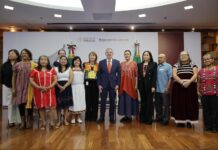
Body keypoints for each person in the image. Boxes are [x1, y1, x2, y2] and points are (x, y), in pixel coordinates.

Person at [171, 51, 198, 128]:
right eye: (181, 55)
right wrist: (182, 83)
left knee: (190, 104)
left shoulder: (193, 65)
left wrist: (189, 82)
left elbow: (195, 74)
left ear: (188, 56)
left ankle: (189, 121)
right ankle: (180, 122)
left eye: (184, 55)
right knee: (180, 104)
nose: (183, 56)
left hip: (191, 87)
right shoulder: (176, 65)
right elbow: (174, 75)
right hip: (178, 87)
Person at [30, 55, 57, 130]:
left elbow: (55, 80)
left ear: (48, 61)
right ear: (39, 61)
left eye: (45, 59)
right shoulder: (35, 70)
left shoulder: (52, 70)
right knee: (41, 107)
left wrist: (49, 87)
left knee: (52, 107)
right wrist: (38, 87)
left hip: (50, 90)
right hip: (39, 91)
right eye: (41, 59)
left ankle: (51, 122)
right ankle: (43, 123)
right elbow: (31, 80)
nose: (43, 61)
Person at [12, 49, 37, 129]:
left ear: (29, 55)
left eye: (26, 53)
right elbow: (14, 77)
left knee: (30, 103)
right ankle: (23, 122)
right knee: (21, 104)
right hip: (20, 87)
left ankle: (29, 121)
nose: (24, 54)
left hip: (30, 87)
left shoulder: (34, 65)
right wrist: (13, 88)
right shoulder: (17, 65)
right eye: (22, 53)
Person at [97, 48, 121, 123]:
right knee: (103, 102)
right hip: (103, 85)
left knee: (112, 102)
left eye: (110, 52)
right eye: (107, 52)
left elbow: (119, 75)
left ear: (112, 53)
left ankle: (111, 117)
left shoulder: (117, 62)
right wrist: (99, 84)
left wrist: (117, 84)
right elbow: (98, 75)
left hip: (113, 85)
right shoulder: (101, 62)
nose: (109, 53)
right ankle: (102, 117)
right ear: (105, 53)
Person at [197, 53, 218, 132]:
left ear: (212, 60)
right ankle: (208, 126)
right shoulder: (201, 71)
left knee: (215, 111)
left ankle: (215, 127)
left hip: (215, 94)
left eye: (208, 59)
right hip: (204, 94)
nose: (206, 60)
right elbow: (198, 82)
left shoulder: (217, 69)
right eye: (204, 59)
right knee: (206, 110)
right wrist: (197, 90)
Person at [1, 49, 21, 127]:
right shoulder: (4, 65)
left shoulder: (20, 64)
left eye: (12, 53)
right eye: (9, 54)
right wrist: (5, 84)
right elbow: (2, 76)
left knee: (18, 104)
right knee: (10, 104)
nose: (10, 55)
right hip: (7, 86)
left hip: (19, 87)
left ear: (17, 55)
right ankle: (11, 121)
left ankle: (19, 121)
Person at [118, 50, 138, 123]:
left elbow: (136, 75)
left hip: (131, 85)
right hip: (122, 85)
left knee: (129, 101)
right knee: (123, 100)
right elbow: (119, 75)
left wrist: (136, 85)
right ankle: (125, 116)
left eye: (128, 54)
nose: (126, 55)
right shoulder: (121, 64)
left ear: (130, 55)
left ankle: (129, 116)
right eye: (125, 54)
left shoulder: (134, 63)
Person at [138, 51, 157, 124]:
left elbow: (154, 76)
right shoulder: (139, 64)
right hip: (141, 86)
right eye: (144, 55)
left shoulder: (154, 64)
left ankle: (149, 119)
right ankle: (143, 118)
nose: (145, 56)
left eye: (147, 55)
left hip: (149, 86)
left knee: (149, 103)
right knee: (143, 102)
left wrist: (153, 86)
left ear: (150, 56)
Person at [55, 56, 73, 127]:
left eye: (65, 59)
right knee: (58, 106)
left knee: (66, 106)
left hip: (67, 87)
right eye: (62, 59)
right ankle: (59, 121)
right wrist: (59, 86)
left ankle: (65, 120)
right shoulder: (55, 69)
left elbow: (71, 79)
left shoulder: (69, 69)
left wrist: (64, 86)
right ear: (59, 61)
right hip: (58, 87)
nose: (63, 61)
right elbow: (54, 79)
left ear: (67, 61)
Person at [155, 54, 172, 125]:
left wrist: (167, 87)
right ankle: (159, 118)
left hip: (164, 89)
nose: (159, 59)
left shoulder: (168, 66)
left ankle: (165, 119)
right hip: (157, 90)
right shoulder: (156, 66)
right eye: (158, 57)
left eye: (161, 58)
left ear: (165, 58)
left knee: (165, 105)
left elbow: (170, 78)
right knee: (158, 105)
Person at [69, 56, 86, 124]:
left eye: (78, 61)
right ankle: (73, 117)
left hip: (81, 87)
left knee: (80, 102)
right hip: (73, 86)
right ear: (73, 62)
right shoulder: (70, 69)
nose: (77, 62)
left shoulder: (83, 69)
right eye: (75, 60)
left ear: (80, 62)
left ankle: (79, 117)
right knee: (74, 102)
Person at [84, 52, 99, 122]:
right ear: (89, 57)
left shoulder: (98, 65)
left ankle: (94, 117)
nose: (92, 57)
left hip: (96, 84)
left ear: (96, 57)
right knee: (88, 100)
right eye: (91, 56)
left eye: (94, 56)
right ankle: (88, 117)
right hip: (87, 84)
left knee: (95, 100)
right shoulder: (85, 64)